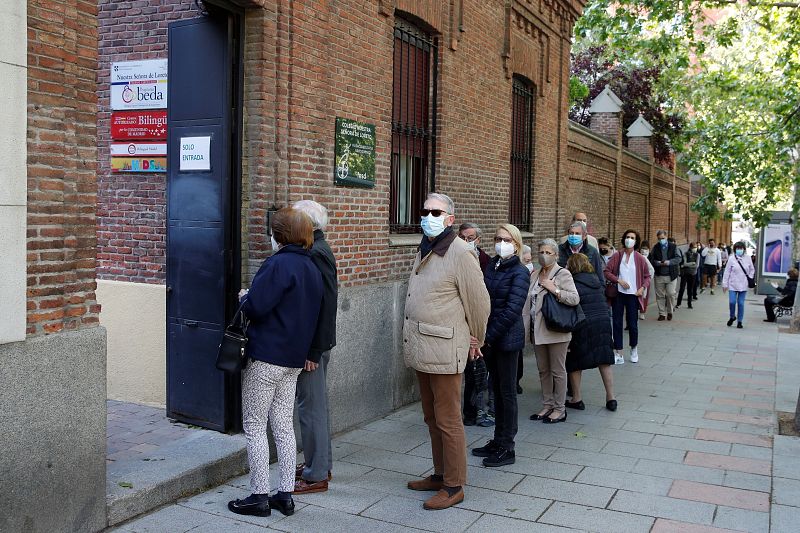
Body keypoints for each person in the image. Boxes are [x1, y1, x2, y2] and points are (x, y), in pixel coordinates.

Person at [229, 208, 323, 518]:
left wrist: (245, 296)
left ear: (280, 235)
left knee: (255, 426)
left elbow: (257, 306)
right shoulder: (311, 267)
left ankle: (258, 495)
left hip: (266, 357)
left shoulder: (278, 264)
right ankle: (285, 494)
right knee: (283, 425)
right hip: (293, 359)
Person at [403, 193, 490, 511]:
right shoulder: (425, 246)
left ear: (450, 218)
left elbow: (480, 303)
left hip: (444, 347)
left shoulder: (460, 252)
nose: (428, 215)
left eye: (435, 211)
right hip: (422, 345)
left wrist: (475, 339)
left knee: (449, 419)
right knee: (431, 416)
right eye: (424, 210)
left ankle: (454, 485)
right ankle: (439, 474)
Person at [471, 224, 530, 467]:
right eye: (497, 238)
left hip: (505, 340)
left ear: (516, 244)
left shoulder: (520, 272)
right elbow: (483, 299)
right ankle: (497, 440)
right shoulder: (493, 266)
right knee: (494, 389)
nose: (501, 243)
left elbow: (511, 311)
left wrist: (487, 337)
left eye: (506, 239)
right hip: (491, 339)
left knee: (507, 394)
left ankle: (508, 446)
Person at [291, 200, 338, 495]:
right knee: (314, 406)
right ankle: (320, 463)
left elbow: (325, 304)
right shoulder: (315, 249)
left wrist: (313, 351)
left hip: (313, 348)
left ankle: (316, 473)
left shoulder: (316, 253)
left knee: (311, 408)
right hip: (314, 346)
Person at [524, 239, 580, 424]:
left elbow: (574, 298)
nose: (544, 255)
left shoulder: (563, 273)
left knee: (558, 370)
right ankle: (547, 405)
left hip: (556, 330)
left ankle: (559, 409)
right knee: (543, 370)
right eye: (541, 251)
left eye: (548, 252)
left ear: (556, 255)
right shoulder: (535, 274)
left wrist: (554, 289)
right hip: (537, 331)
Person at [564, 253, 617, 412]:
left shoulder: (572, 283)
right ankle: (611, 397)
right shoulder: (595, 280)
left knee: (574, 362)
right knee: (604, 361)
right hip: (603, 322)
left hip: (583, 325)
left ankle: (577, 398)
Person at [604, 230, 651, 363]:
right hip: (618, 294)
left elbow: (647, 276)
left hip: (633, 295)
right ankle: (618, 352)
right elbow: (606, 271)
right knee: (617, 323)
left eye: (632, 238)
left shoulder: (640, 258)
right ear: (624, 239)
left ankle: (634, 347)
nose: (629, 239)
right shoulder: (617, 255)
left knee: (632, 324)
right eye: (627, 237)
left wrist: (642, 288)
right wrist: (618, 280)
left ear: (636, 241)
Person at [558, 221, 605, 285]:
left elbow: (599, 275)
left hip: (586, 290)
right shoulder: (559, 250)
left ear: (585, 235)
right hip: (564, 289)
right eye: (571, 233)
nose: (573, 236)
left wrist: (601, 290)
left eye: (577, 234)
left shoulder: (592, 251)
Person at [722, 241, 756, 329]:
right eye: (737, 249)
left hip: (743, 284)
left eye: (741, 249)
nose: (739, 250)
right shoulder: (731, 258)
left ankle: (740, 321)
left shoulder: (748, 258)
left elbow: (752, 269)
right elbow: (727, 272)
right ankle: (732, 316)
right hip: (733, 284)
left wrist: (750, 277)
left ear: (744, 249)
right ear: (735, 249)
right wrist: (724, 284)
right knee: (732, 302)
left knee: (741, 303)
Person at [649, 230, 681, 321]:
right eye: (659, 239)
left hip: (671, 275)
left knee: (671, 294)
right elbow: (652, 259)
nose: (661, 240)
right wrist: (658, 263)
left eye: (662, 238)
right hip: (659, 275)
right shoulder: (655, 247)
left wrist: (669, 262)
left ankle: (670, 311)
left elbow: (679, 258)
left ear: (666, 237)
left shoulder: (673, 247)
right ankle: (662, 313)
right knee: (660, 295)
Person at [676, 242, 699, 309]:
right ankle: (678, 303)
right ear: (690, 247)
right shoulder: (685, 253)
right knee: (682, 289)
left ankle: (689, 303)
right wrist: (692, 263)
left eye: (696, 247)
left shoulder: (698, 255)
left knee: (690, 289)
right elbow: (684, 263)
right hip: (685, 273)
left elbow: (696, 265)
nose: (695, 248)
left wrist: (687, 265)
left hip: (693, 273)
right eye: (694, 247)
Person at [637, 240, 656, 320]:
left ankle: (642, 312)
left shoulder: (650, 256)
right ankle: (640, 311)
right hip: (639, 279)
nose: (644, 251)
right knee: (640, 296)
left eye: (646, 249)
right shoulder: (637, 255)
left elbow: (651, 268)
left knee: (644, 296)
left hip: (645, 279)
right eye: (642, 249)